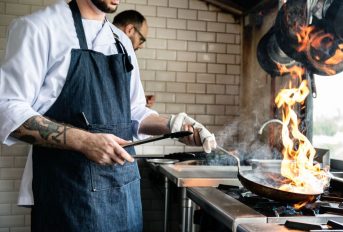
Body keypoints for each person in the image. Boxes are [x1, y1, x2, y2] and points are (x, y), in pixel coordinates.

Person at [0, 0, 216, 231]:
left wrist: (173, 124)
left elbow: (134, 110)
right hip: (69, 194)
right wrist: (84, 141)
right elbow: (7, 108)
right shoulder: (39, 28)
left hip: (124, 192)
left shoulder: (121, 41)